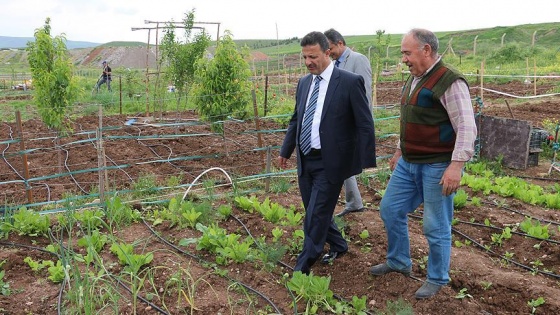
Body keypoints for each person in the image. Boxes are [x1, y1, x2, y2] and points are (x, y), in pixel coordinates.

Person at [369, 28, 477, 299]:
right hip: (409, 162)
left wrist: (457, 165)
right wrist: (398, 151)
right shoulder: (415, 77)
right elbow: (411, 119)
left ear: (426, 50)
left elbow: (466, 126)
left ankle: (437, 277)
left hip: (437, 165)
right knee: (390, 209)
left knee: (435, 225)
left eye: (407, 53)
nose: (404, 59)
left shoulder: (449, 81)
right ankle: (399, 261)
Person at [278, 31, 376, 275]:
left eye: (313, 56)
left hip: (331, 162)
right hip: (305, 158)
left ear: (327, 53)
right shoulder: (303, 83)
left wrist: (366, 159)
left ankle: (303, 265)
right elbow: (297, 119)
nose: (308, 62)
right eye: (305, 57)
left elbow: (364, 122)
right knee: (314, 209)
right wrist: (286, 150)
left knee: (315, 216)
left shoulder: (349, 82)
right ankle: (339, 244)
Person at [324, 28, 373, 217]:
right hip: (338, 121)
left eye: (330, 48)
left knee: (344, 160)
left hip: (352, 121)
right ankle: (353, 202)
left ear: (340, 43)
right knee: (340, 159)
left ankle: (353, 202)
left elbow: (365, 92)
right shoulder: (335, 63)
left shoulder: (358, 59)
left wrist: (362, 122)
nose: (329, 52)